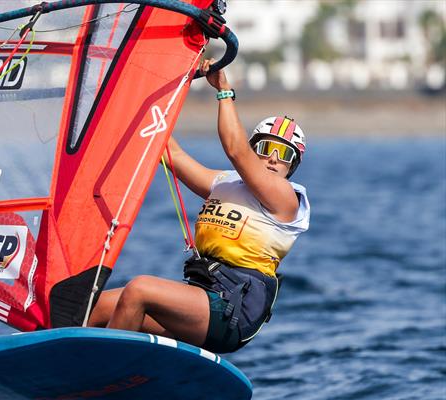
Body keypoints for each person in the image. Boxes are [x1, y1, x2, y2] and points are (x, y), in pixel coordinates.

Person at [88, 60, 310, 353]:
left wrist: (224, 91)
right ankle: (58, 371)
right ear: (255, 149)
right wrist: (130, 98)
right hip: (202, 296)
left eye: (284, 154)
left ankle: (100, 374)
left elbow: (234, 149)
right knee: (99, 306)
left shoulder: (287, 200)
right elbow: (171, 153)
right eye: (265, 148)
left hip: (235, 311)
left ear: (292, 166)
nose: (272, 159)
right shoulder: (225, 183)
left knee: (139, 289)